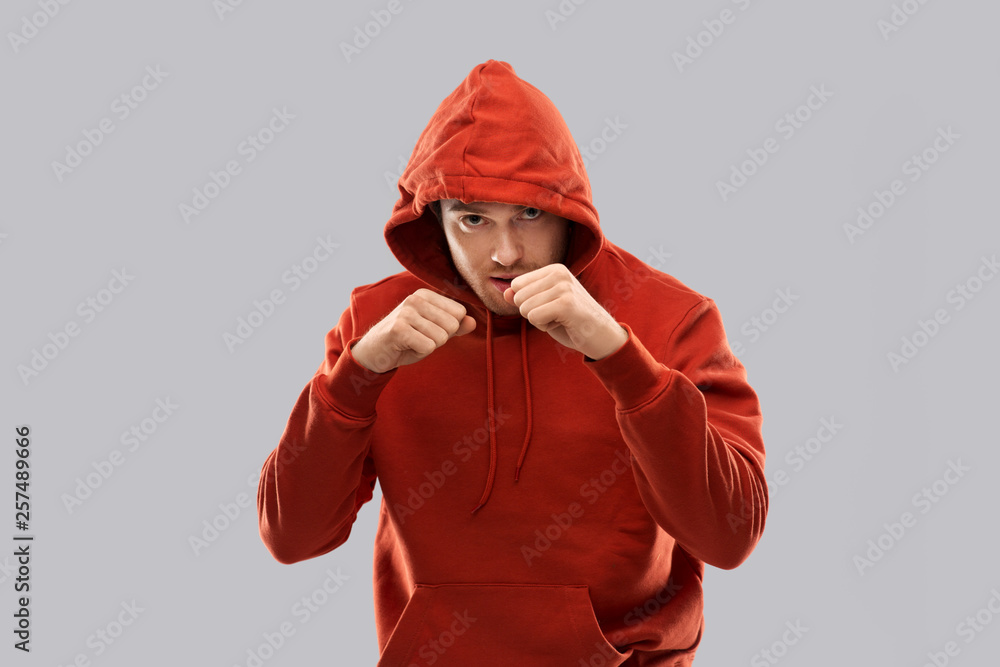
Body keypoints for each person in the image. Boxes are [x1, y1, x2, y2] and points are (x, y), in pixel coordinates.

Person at [257, 59, 767, 666]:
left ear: (568, 211)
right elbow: (292, 538)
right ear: (434, 222)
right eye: (473, 219)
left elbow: (729, 536)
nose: (504, 252)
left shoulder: (670, 318)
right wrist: (360, 374)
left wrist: (620, 360)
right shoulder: (380, 324)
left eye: (529, 215)